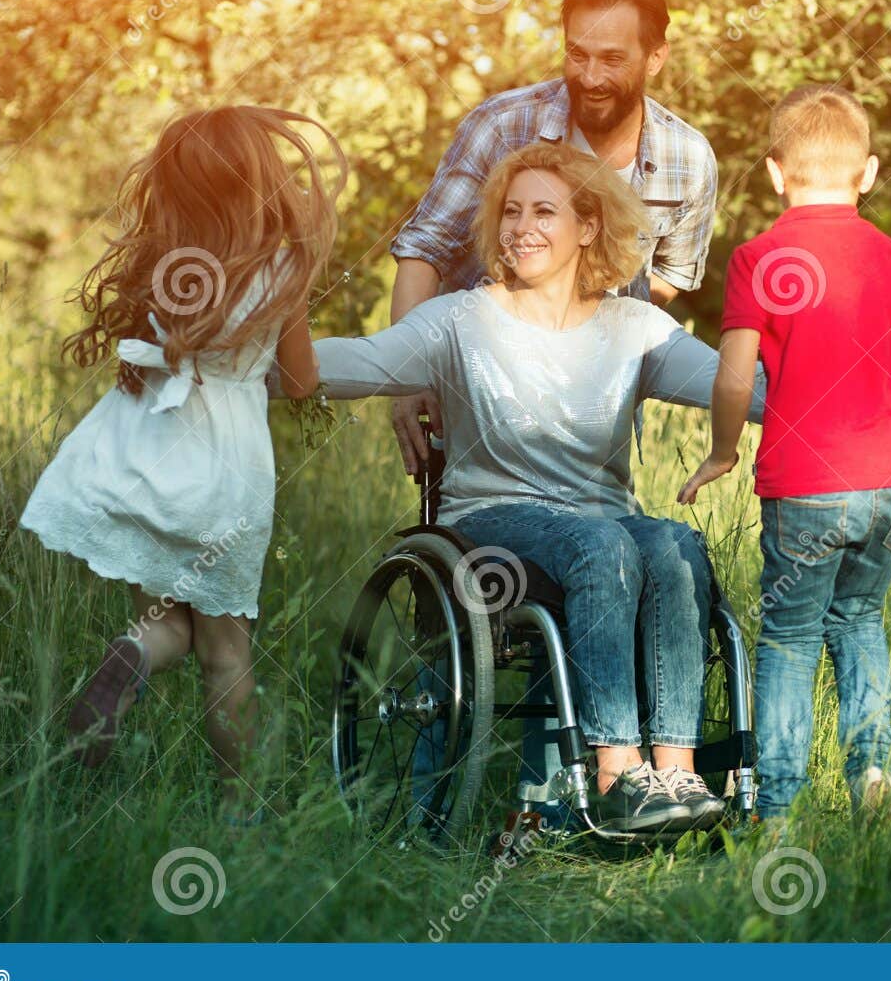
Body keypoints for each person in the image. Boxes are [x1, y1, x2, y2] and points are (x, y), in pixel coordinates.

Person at [301, 142, 761, 834]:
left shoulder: (634, 327)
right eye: (511, 212)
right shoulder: (460, 319)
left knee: (673, 542)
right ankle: (617, 770)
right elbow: (362, 360)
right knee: (604, 542)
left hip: (597, 523)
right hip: (488, 525)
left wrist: (850, 383)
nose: (522, 227)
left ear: (589, 226)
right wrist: (239, 357)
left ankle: (677, 768)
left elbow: (744, 388)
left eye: (544, 211)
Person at [19, 106, 346, 817]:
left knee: (165, 621)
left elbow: (149, 358)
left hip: (149, 456)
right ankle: (242, 812)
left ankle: (130, 657)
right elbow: (300, 381)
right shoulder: (282, 267)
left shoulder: (165, 262)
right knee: (225, 650)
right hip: (226, 468)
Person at [678, 84, 891, 820]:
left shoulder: (761, 257)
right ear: (871, 171)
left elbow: (732, 373)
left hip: (806, 482)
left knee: (788, 635)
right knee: (859, 619)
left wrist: (723, 451)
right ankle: (871, 769)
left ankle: (778, 804)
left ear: (775, 172)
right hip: (890, 482)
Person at [385, 0, 717, 474]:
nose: (590, 77)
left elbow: (668, 278)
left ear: (655, 58)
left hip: (594, 415)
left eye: (612, 59)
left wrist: (588, 321)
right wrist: (407, 374)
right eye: (577, 54)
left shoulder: (689, 159)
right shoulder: (501, 126)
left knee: (618, 545)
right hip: (480, 404)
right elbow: (425, 249)